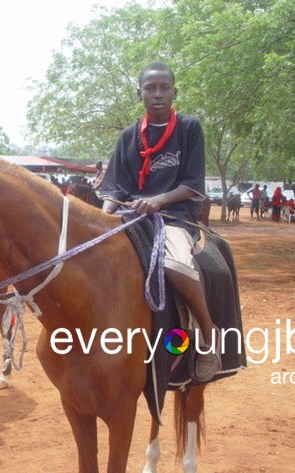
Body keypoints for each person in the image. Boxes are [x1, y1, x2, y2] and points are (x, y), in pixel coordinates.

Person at [99, 61, 221, 383]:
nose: (157, 94)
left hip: (175, 216)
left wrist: (158, 200)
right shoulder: (128, 137)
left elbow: (193, 184)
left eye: (164, 87)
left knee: (177, 265)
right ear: (139, 93)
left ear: (174, 91)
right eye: (150, 88)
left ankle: (208, 336)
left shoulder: (189, 128)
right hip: (131, 216)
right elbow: (114, 187)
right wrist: (102, 214)